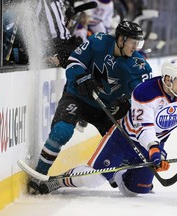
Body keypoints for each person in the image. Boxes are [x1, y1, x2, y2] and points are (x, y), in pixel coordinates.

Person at [35, 58, 177, 196]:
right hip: (123, 140)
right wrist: (155, 150)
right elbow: (143, 128)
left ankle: (119, 172)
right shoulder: (144, 92)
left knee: (135, 190)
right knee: (93, 179)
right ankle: (58, 181)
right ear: (168, 79)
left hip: (152, 146)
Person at [28, 19, 152, 194]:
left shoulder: (139, 66)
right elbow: (73, 62)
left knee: (125, 147)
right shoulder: (99, 41)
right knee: (61, 131)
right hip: (77, 97)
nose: (135, 47)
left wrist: (127, 103)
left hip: (107, 110)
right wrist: (81, 77)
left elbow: (142, 98)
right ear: (121, 39)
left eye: (138, 43)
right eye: (133, 42)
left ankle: (128, 178)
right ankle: (38, 175)